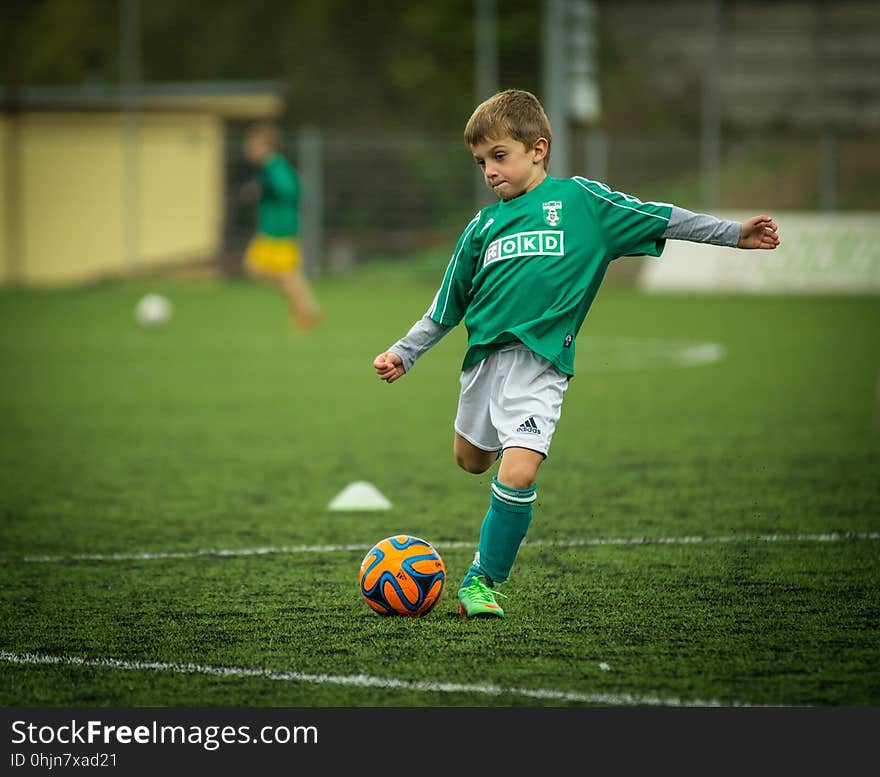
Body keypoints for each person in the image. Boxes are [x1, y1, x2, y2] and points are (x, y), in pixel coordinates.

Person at [373, 89, 780, 618]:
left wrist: (732, 234)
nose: (490, 171)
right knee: (471, 461)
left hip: (541, 366)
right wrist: (405, 354)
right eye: (481, 162)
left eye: (500, 156)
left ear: (538, 149)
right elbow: (446, 305)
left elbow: (660, 217)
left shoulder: (582, 203)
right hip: (483, 366)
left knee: (517, 473)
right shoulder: (481, 227)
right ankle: (505, 463)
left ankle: (482, 581)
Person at [241, 123, 322, 330]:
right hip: (271, 229)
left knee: (282, 274)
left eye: (253, 144)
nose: (249, 147)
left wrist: (266, 188)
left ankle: (306, 311)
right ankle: (306, 308)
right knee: (262, 270)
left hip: (280, 230)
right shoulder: (270, 168)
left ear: (265, 145)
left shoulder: (275, 166)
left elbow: (291, 189)